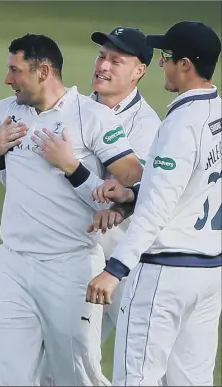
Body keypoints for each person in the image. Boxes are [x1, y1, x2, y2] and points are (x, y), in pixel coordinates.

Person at [0, 24, 144, 385]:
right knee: (10, 374)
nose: (8, 79)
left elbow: (132, 175)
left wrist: (84, 175)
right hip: (14, 265)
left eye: (15, 70)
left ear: (44, 71)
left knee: (76, 376)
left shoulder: (92, 117)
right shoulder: (11, 111)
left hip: (69, 267)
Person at [86, 21, 222, 386]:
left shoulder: (181, 123)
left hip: (166, 274)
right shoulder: (218, 115)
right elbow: (185, 187)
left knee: (136, 379)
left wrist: (114, 270)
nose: (161, 64)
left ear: (185, 65)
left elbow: (157, 209)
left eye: (166, 57)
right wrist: (131, 194)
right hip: (210, 274)